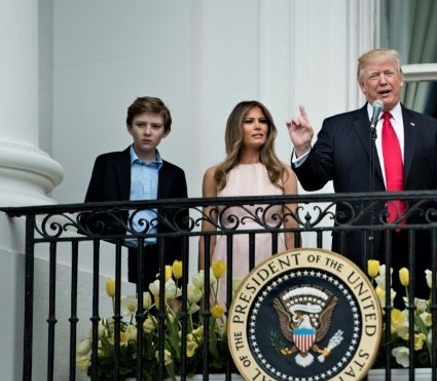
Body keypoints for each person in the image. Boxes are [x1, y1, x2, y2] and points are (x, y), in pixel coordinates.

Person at [285, 48, 437, 292]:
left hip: (417, 246)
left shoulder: (429, 128)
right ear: (362, 85)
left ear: (401, 78)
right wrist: (303, 148)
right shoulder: (337, 128)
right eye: (374, 75)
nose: (383, 80)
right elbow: (314, 181)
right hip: (358, 248)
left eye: (389, 73)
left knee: (413, 324)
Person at [83, 96, 189, 291]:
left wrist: (178, 285)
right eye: (141, 124)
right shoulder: (107, 164)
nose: (147, 132)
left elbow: (179, 231)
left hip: (158, 259)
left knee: (155, 318)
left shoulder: (175, 175)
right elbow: (89, 214)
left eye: (156, 126)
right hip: (114, 253)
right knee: (112, 314)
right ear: (129, 127)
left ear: (166, 131)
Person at [198, 100, 298, 305]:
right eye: (249, 121)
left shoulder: (284, 173)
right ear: (237, 127)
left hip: (271, 255)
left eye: (263, 121)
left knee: (269, 321)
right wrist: (202, 282)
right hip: (227, 258)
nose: (258, 126)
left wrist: (295, 275)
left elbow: (291, 230)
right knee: (225, 321)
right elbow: (207, 234)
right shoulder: (215, 175)